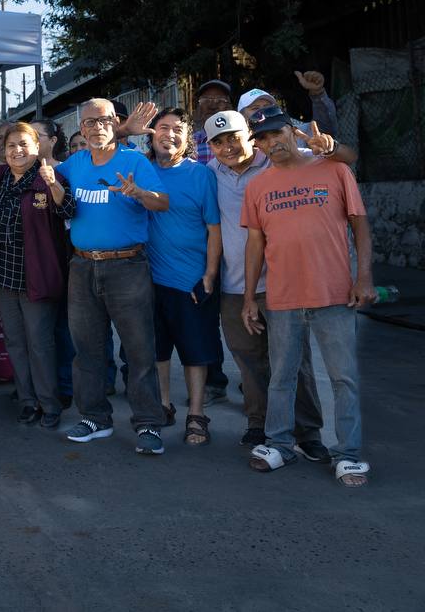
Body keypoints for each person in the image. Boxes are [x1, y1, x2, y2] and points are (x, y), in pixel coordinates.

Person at [241, 106, 374, 487]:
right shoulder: (257, 187)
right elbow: (255, 244)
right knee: (281, 377)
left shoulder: (334, 169)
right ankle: (279, 445)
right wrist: (249, 298)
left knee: (343, 378)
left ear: (292, 131)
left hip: (334, 294)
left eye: (276, 133)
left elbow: (360, 225)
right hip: (282, 298)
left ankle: (348, 455)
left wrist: (364, 277)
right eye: (262, 139)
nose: (271, 143)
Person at [206, 109, 344, 450]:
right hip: (235, 287)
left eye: (234, 138)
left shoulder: (278, 160)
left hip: (284, 285)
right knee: (249, 362)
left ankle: (308, 432)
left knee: (295, 363)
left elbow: (333, 159)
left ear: (250, 137)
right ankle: (259, 424)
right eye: (218, 142)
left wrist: (329, 147)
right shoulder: (210, 173)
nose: (228, 147)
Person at [57, 99, 170, 455]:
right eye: (89, 123)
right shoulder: (74, 163)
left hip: (127, 266)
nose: (96, 128)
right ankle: (94, 418)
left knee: (139, 351)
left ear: (115, 122)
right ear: (81, 128)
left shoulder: (134, 161)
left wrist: (139, 193)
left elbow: (162, 202)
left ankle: (148, 423)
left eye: (104, 121)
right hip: (82, 266)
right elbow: (42, 166)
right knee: (87, 350)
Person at [0, 123, 75, 429]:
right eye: (11, 145)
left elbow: (69, 211)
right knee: (15, 342)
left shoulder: (49, 177)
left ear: (37, 147)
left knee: (40, 343)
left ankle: (49, 404)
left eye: (24, 144)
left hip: (36, 276)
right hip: (3, 275)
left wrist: (54, 187)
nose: (17, 150)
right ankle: (27, 401)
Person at [144, 108, 221, 445]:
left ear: (188, 137)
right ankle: (163, 405)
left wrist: (210, 274)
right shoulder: (141, 170)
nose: (170, 134)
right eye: (163, 127)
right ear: (152, 134)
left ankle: (196, 414)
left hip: (190, 280)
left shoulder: (200, 175)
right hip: (149, 280)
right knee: (157, 350)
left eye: (178, 129)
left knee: (195, 351)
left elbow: (214, 228)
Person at [190, 80, 233, 165]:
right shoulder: (190, 143)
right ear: (199, 107)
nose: (212, 106)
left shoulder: (238, 140)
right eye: (206, 100)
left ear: (228, 106)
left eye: (220, 100)